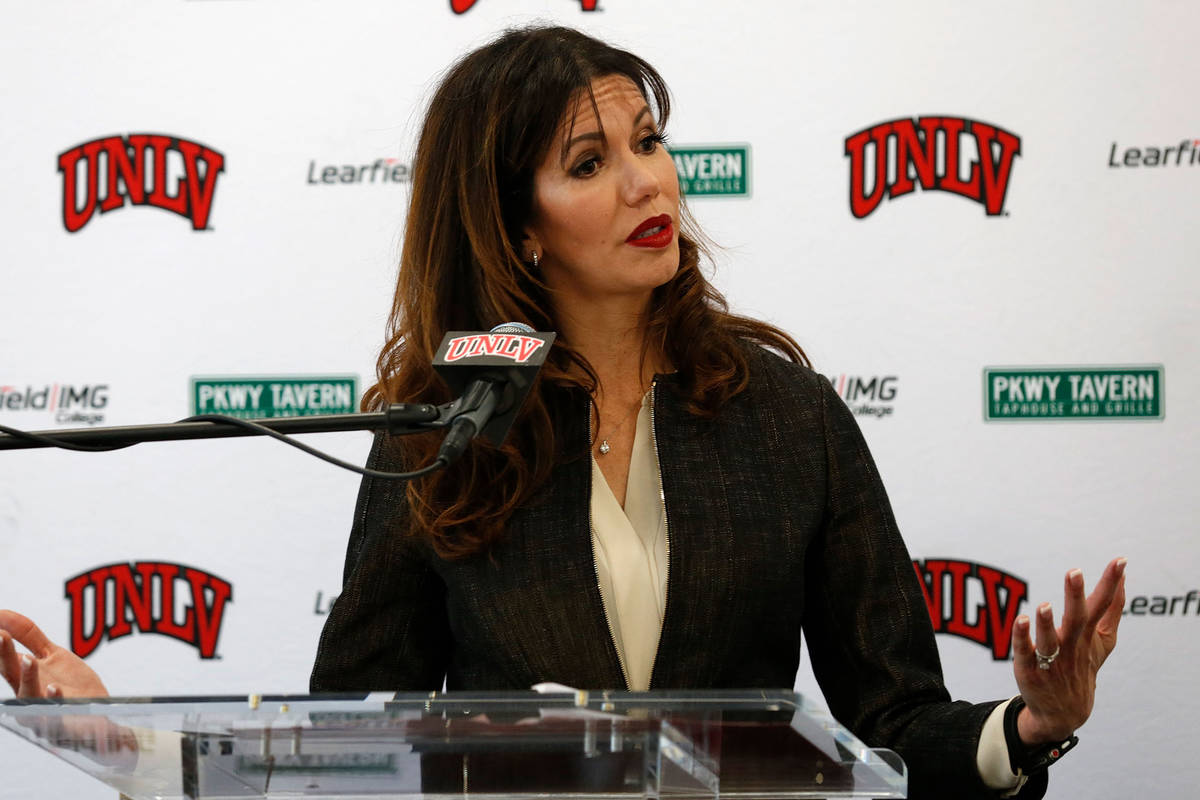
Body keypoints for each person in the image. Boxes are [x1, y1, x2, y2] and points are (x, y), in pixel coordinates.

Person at [1, 25, 1124, 800]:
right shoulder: (441, 429)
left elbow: (894, 719)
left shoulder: (788, 414)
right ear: (518, 225)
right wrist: (130, 739)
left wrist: (1024, 727)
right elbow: (336, 745)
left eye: (648, 141)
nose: (648, 183)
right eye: (591, 161)